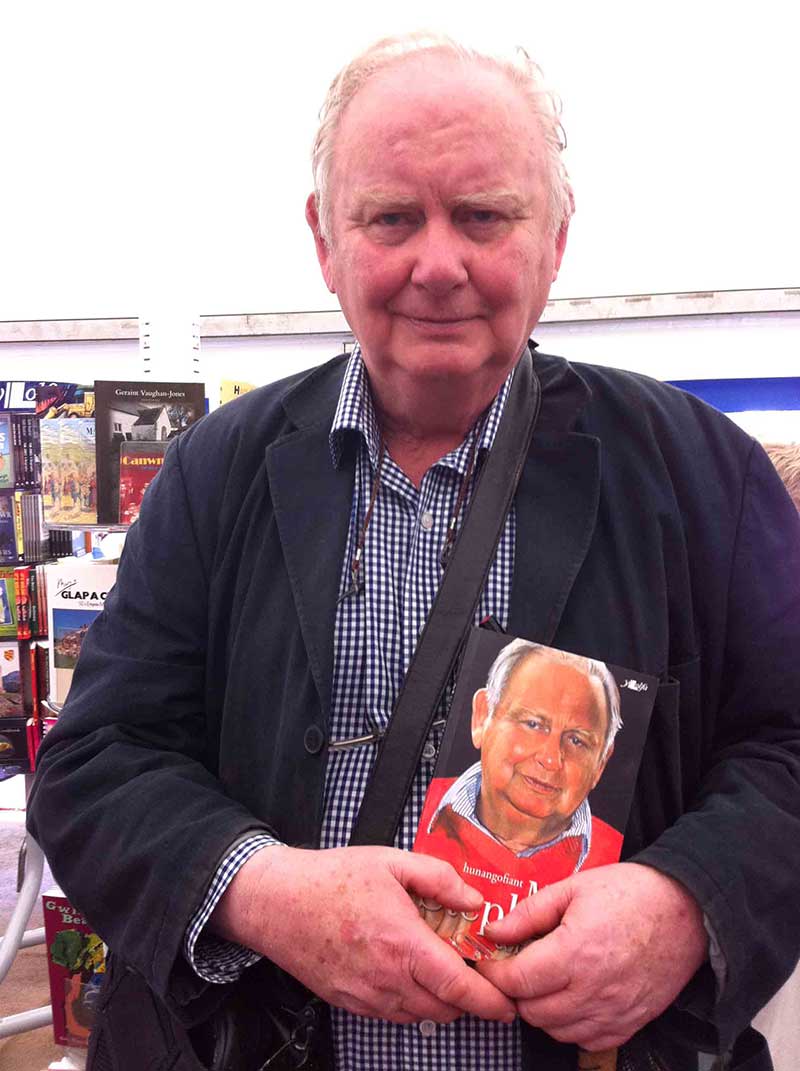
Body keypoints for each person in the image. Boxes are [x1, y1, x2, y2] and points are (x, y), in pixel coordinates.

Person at [27, 31, 800, 1071]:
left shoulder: (699, 474)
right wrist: (262, 890)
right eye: (390, 217)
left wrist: (684, 902)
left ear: (556, 236)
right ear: (324, 240)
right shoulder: (218, 473)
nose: (437, 264)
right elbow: (93, 763)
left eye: (483, 215)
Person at [424, 639, 623, 865]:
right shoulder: (417, 809)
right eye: (533, 724)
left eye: (576, 740)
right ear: (482, 716)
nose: (550, 759)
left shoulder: (624, 864)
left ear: (600, 765)